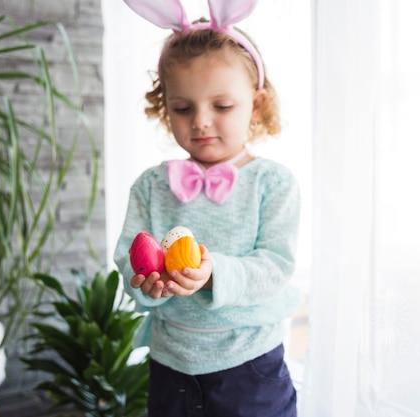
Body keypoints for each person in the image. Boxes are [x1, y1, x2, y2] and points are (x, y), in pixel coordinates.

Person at [113, 1, 302, 416]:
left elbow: (275, 266)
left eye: (221, 106)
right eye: (182, 108)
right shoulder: (150, 186)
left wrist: (212, 272)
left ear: (256, 104)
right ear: (165, 107)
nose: (200, 121)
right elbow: (129, 259)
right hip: (171, 365)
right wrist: (146, 281)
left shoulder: (273, 183)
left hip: (249, 365)